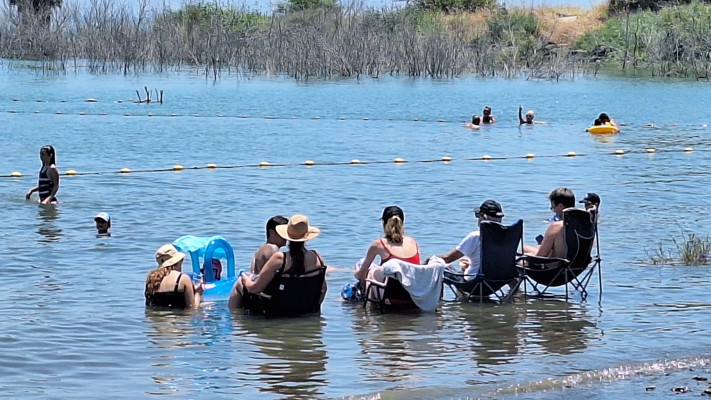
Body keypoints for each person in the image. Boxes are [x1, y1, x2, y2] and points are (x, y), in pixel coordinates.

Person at [228, 214, 327, 310]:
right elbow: (323, 289)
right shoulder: (317, 257)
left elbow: (255, 288)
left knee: (240, 282)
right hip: (305, 308)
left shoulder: (280, 259)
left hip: (276, 309)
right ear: (307, 236)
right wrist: (313, 307)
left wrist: (245, 280)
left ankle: (234, 319)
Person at [432, 200, 504, 279]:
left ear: (483, 217)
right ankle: (515, 291)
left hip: (476, 282)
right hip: (498, 281)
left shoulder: (476, 236)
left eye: (478, 215)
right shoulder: (506, 236)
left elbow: (449, 258)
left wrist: (431, 259)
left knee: (442, 266)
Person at [354, 205, 420, 286]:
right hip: (412, 293)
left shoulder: (378, 244)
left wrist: (356, 272)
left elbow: (361, 275)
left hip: (390, 294)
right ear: (402, 223)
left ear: (383, 224)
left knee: (370, 271)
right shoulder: (412, 241)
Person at [145, 244, 203, 309]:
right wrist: (198, 293)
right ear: (177, 261)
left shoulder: (151, 279)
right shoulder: (183, 278)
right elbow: (192, 309)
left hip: (154, 318)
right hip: (177, 318)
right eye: (181, 260)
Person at [524, 187, 576, 259]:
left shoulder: (557, 226)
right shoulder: (582, 224)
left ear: (561, 206)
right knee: (526, 248)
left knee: (522, 253)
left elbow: (540, 257)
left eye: (553, 208)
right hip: (576, 264)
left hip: (556, 265)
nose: (554, 211)